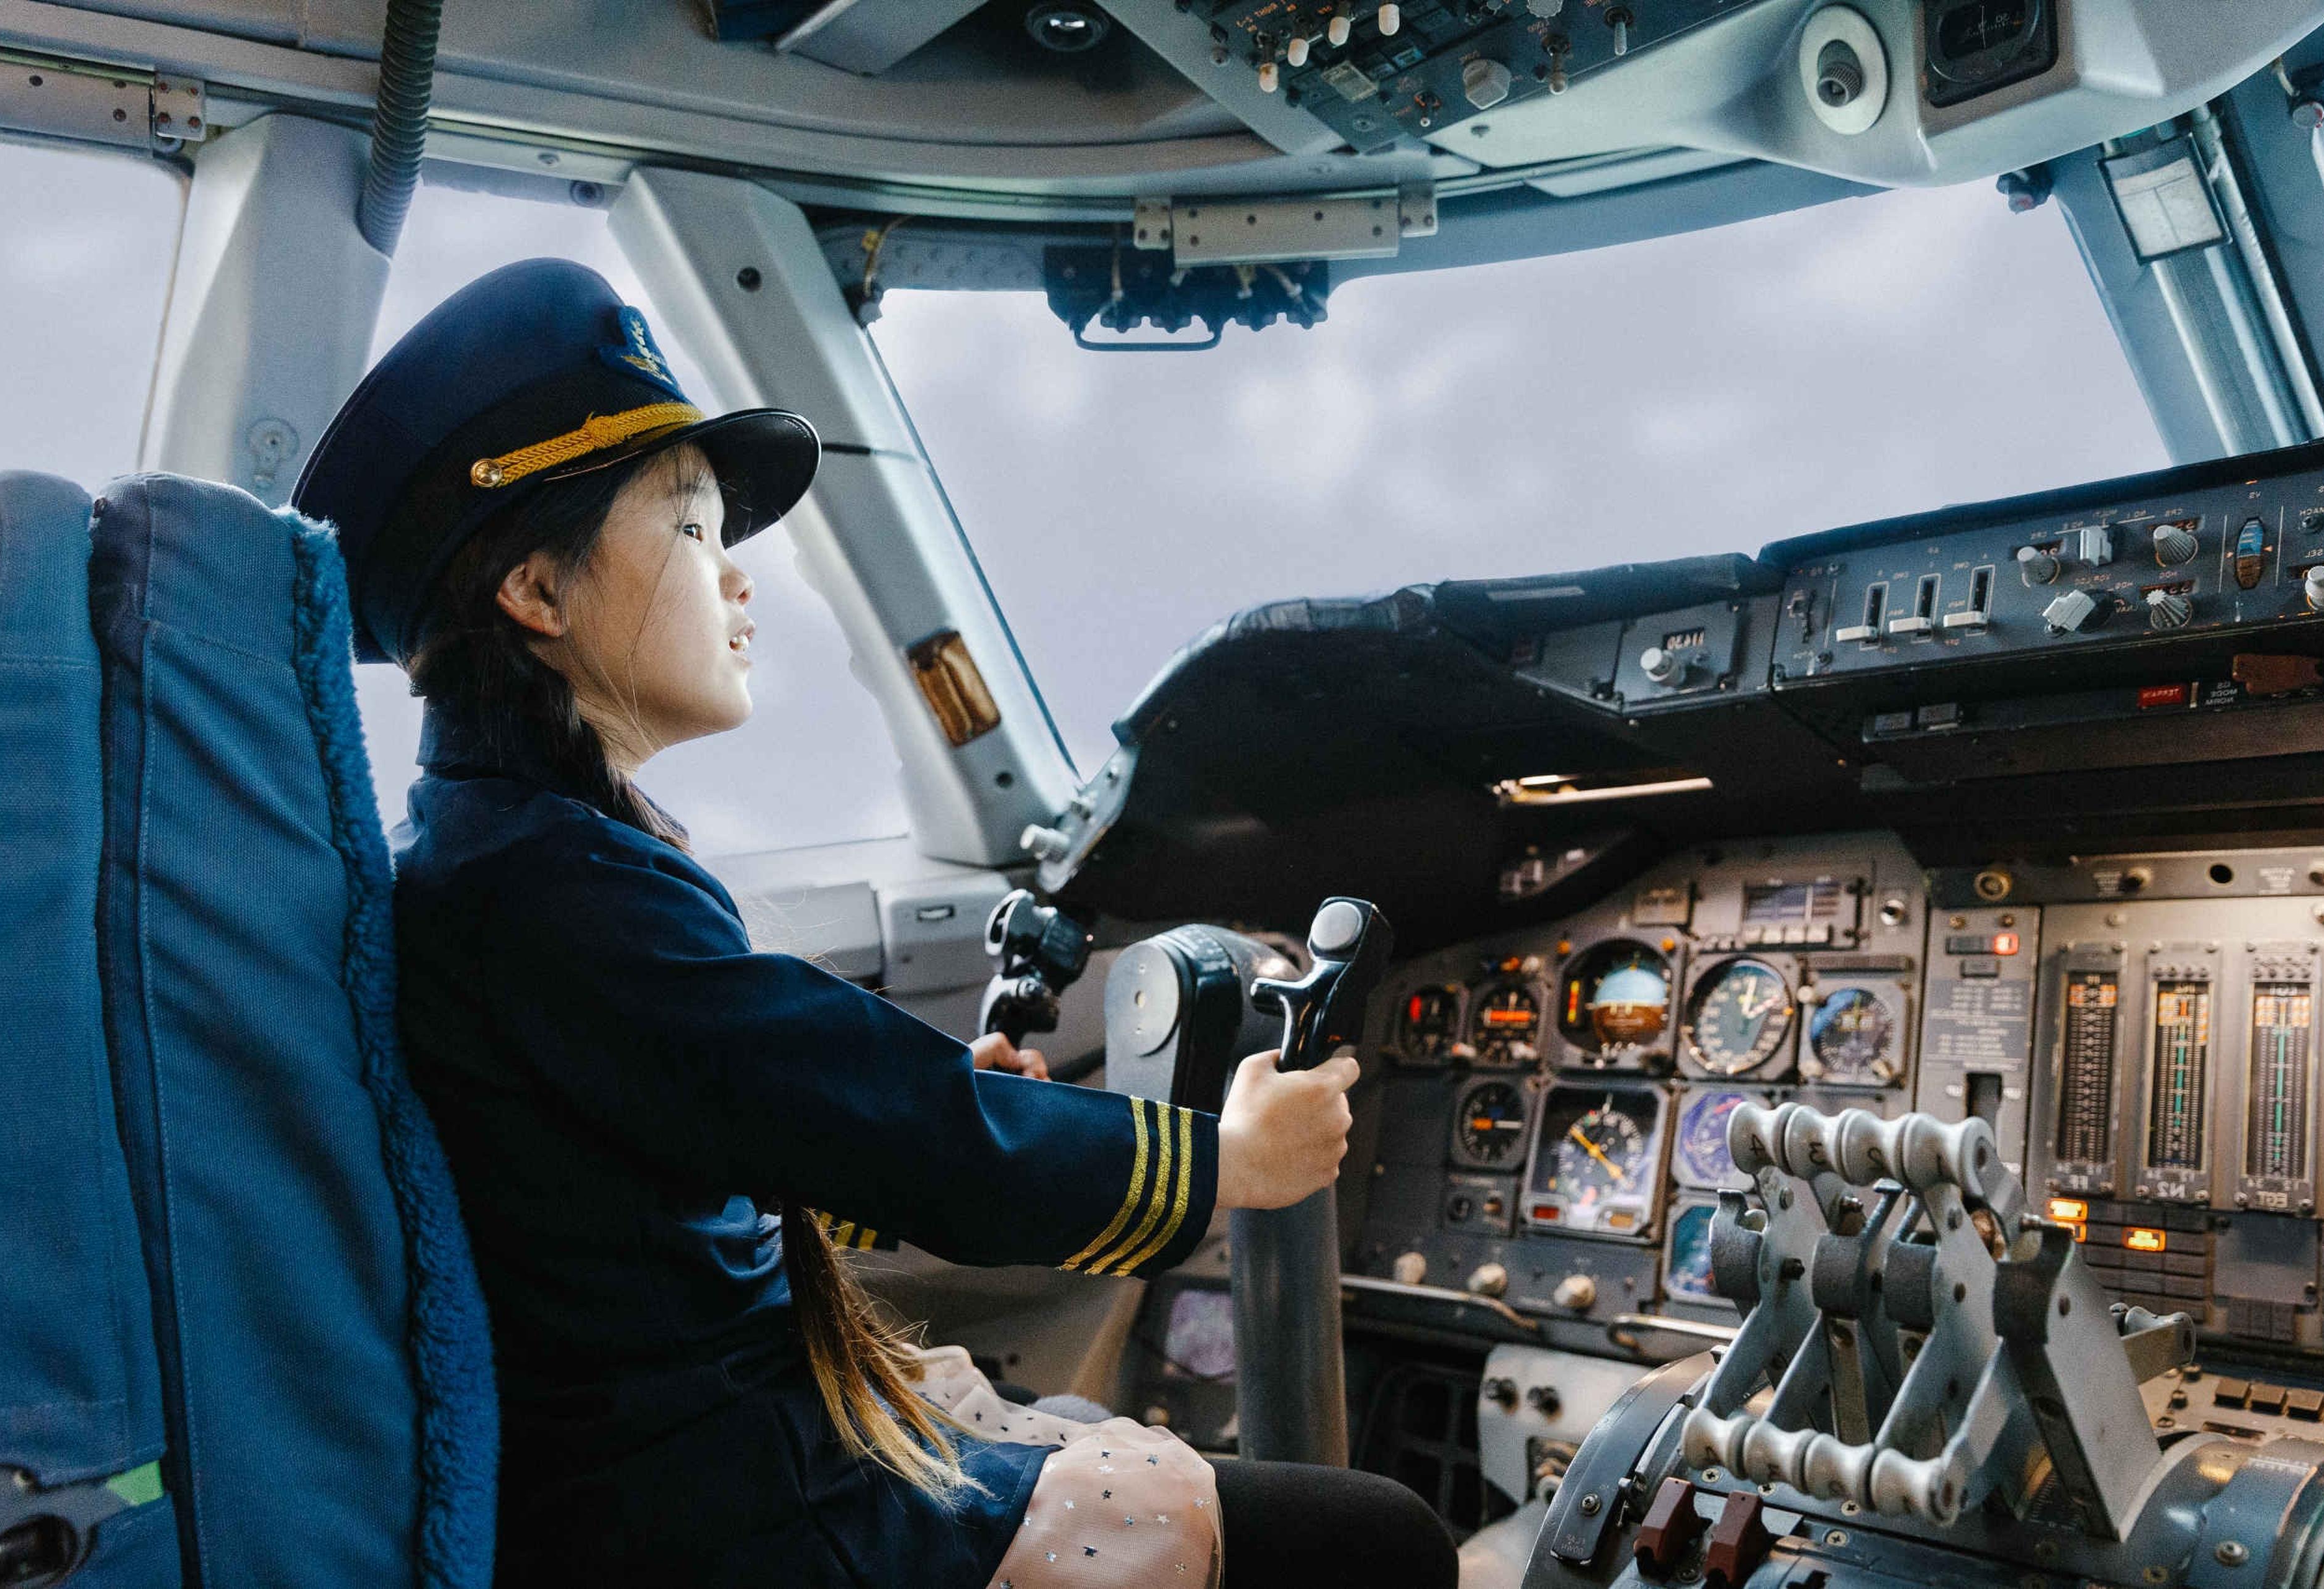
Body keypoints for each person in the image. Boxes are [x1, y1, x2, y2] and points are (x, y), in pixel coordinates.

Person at [292, 259, 1458, 1589]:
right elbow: (896, 1122)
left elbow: (688, 1158)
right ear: (537, 597)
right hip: (730, 1511)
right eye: (691, 532)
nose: (737, 584)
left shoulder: (506, 855)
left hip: (669, 1474)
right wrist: (1228, 1159)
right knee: (1386, 1542)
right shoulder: (551, 894)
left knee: (1109, 1442)